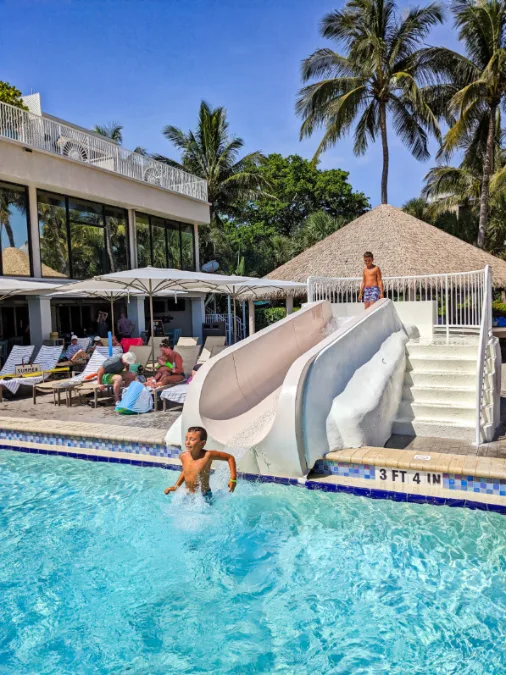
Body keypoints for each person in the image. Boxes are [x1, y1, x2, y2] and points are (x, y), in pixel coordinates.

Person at [164, 426, 237, 501]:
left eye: (192, 439)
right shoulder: (183, 456)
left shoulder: (207, 455)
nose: (187, 442)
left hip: (204, 495)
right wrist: (176, 486)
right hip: (188, 494)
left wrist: (233, 479)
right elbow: (186, 471)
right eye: (186, 438)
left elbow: (230, 457)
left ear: (202, 443)